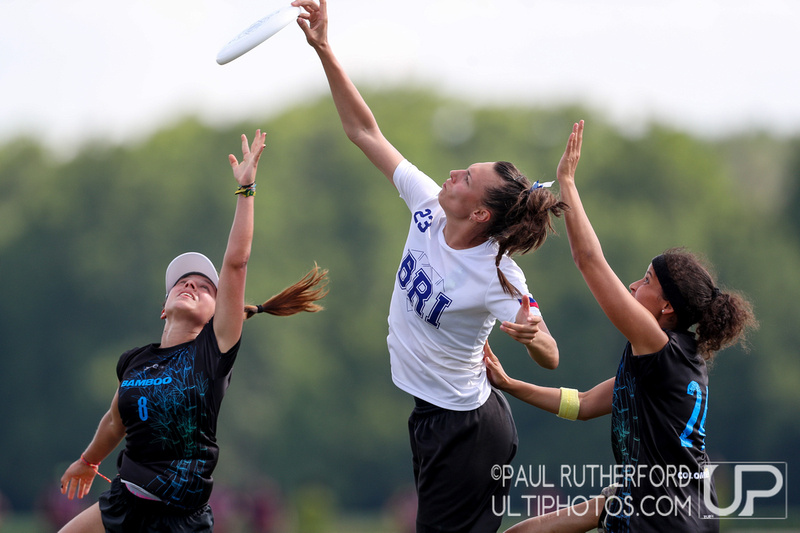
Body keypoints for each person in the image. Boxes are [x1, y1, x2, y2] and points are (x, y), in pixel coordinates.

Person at [291, 1, 567, 531]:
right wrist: (325, 50)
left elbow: (552, 356)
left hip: (466, 430)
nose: (454, 173)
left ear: (480, 212)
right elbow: (364, 132)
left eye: (467, 177)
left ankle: (597, 512)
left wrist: (531, 334)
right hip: (433, 416)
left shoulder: (498, 275)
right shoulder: (427, 206)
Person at [484, 121, 758, 533]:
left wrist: (568, 184)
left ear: (666, 307)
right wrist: (510, 384)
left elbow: (589, 262)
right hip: (661, 508)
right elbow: (583, 405)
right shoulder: (664, 360)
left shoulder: (659, 346)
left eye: (646, 280)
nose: (633, 284)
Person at [58, 131, 329, 532]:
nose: (191, 286)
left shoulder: (212, 350)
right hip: (125, 503)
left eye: (204, 287)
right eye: (182, 283)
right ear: (163, 308)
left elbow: (236, 263)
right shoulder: (135, 361)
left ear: (217, 312)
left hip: (181, 520)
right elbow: (115, 421)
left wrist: (247, 190)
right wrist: (88, 460)